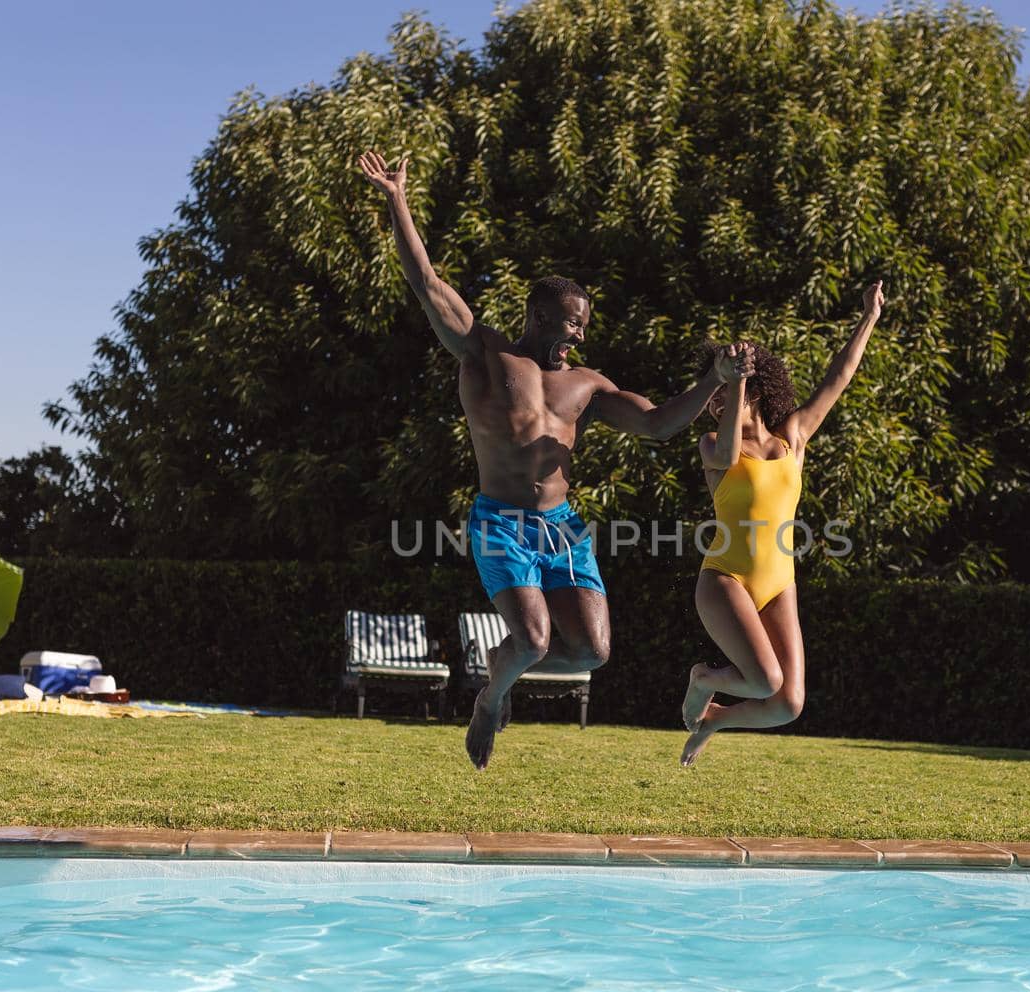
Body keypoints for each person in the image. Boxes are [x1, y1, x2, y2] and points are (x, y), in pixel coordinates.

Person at [357, 150, 750, 769]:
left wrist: (711, 381)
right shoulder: (485, 353)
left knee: (593, 651)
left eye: (584, 326)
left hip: (563, 529)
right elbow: (427, 284)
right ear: (540, 316)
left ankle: (499, 665)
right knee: (535, 640)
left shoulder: (588, 385)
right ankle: (491, 696)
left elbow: (654, 425)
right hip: (500, 522)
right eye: (573, 323)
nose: (580, 335)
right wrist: (397, 197)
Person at [679, 281, 884, 766]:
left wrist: (869, 318)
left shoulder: (793, 436)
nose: (719, 398)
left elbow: (840, 376)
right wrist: (731, 381)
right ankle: (702, 678)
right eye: (715, 391)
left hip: (779, 582)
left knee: (788, 703)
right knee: (765, 680)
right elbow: (730, 453)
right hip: (725, 578)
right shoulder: (712, 444)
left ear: (759, 389)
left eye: (733, 386)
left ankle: (714, 718)